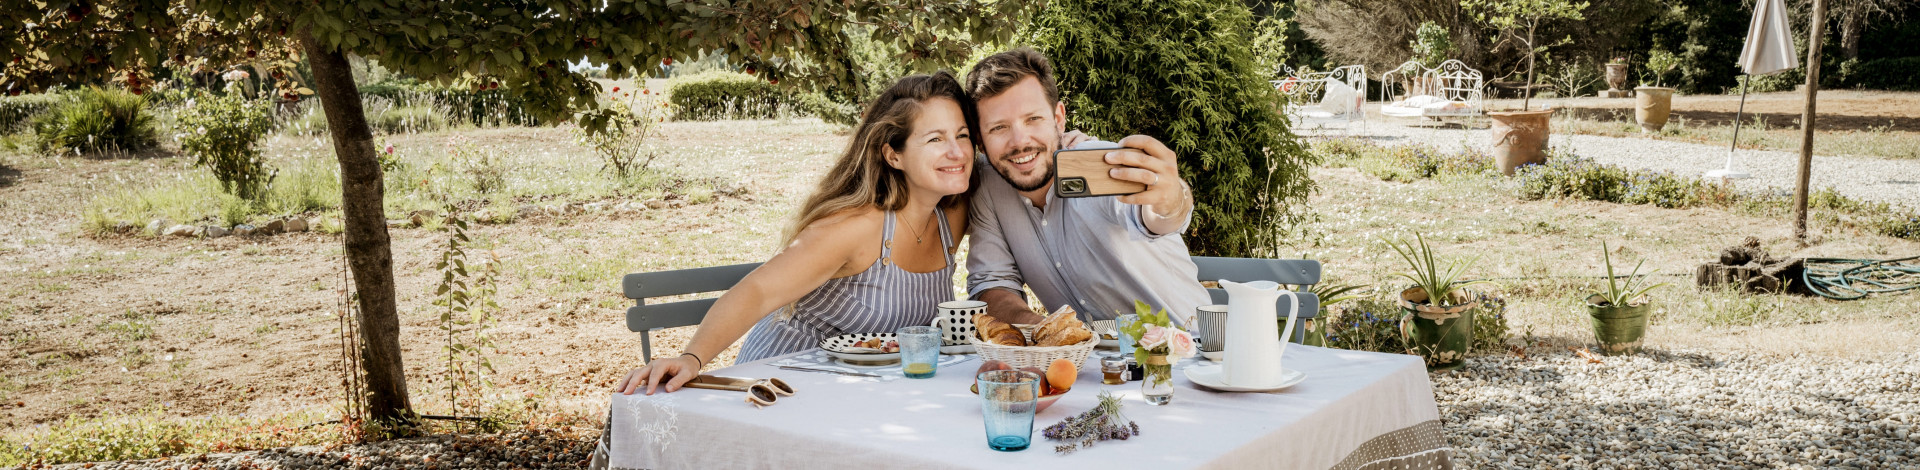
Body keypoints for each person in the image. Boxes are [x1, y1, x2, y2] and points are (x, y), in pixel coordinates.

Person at [616, 72, 977, 395]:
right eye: (935, 139)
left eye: (962, 135)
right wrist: (692, 358)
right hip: (785, 378)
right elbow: (757, 292)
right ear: (893, 155)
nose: (957, 151)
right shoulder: (858, 225)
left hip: (865, 391)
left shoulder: (951, 216)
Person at [962, 48, 1210, 325]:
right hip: (1092, 364)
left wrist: (1172, 199)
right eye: (999, 128)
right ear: (980, 142)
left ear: (1058, 118)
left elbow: (1154, 217)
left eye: (1033, 119)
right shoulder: (988, 190)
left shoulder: (1101, 161)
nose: (1020, 141)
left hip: (1188, 352)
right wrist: (1046, 331)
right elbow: (993, 284)